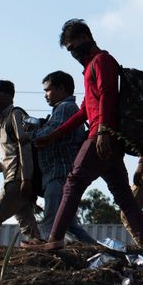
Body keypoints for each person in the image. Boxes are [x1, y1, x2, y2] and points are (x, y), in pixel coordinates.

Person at [23, 19, 143, 250]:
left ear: (84, 37)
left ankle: (54, 239)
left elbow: (107, 94)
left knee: (73, 182)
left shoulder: (102, 61)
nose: (72, 52)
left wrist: (102, 131)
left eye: (72, 46)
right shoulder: (91, 67)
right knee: (123, 195)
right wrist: (52, 136)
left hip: (101, 136)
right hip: (107, 138)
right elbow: (85, 109)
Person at [29, 71, 95, 244]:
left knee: (50, 223)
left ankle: (49, 256)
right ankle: (96, 250)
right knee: (70, 225)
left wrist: (30, 133)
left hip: (58, 174)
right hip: (60, 174)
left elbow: (47, 134)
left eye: (48, 90)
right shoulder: (64, 109)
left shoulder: (65, 108)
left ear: (61, 89)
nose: (45, 95)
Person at [0, 80, 41, 246]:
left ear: (8, 96)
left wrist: (26, 179)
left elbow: (24, 146)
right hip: (16, 179)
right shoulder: (2, 122)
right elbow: (10, 158)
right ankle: (44, 256)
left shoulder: (15, 115)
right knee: (29, 229)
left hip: (16, 181)